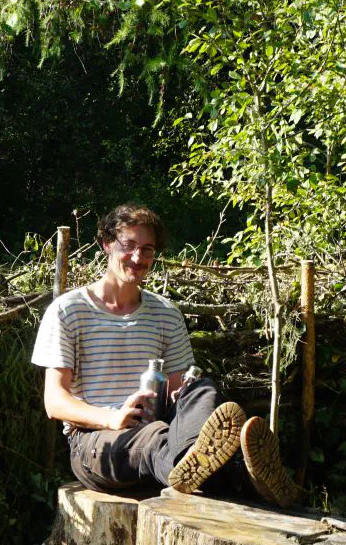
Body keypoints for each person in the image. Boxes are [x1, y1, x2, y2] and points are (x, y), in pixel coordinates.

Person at [32, 203, 302, 505]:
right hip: (94, 443)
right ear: (107, 244)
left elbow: (177, 393)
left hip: (163, 431)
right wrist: (112, 418)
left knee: (201, 389)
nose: (138, 257)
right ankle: (240, 474)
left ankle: (199, 463)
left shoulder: (165, 314)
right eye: (129, 245)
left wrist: (185, 396)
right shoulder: (68, 311)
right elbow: (55, 402)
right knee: (155, 439)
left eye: (147, 249)